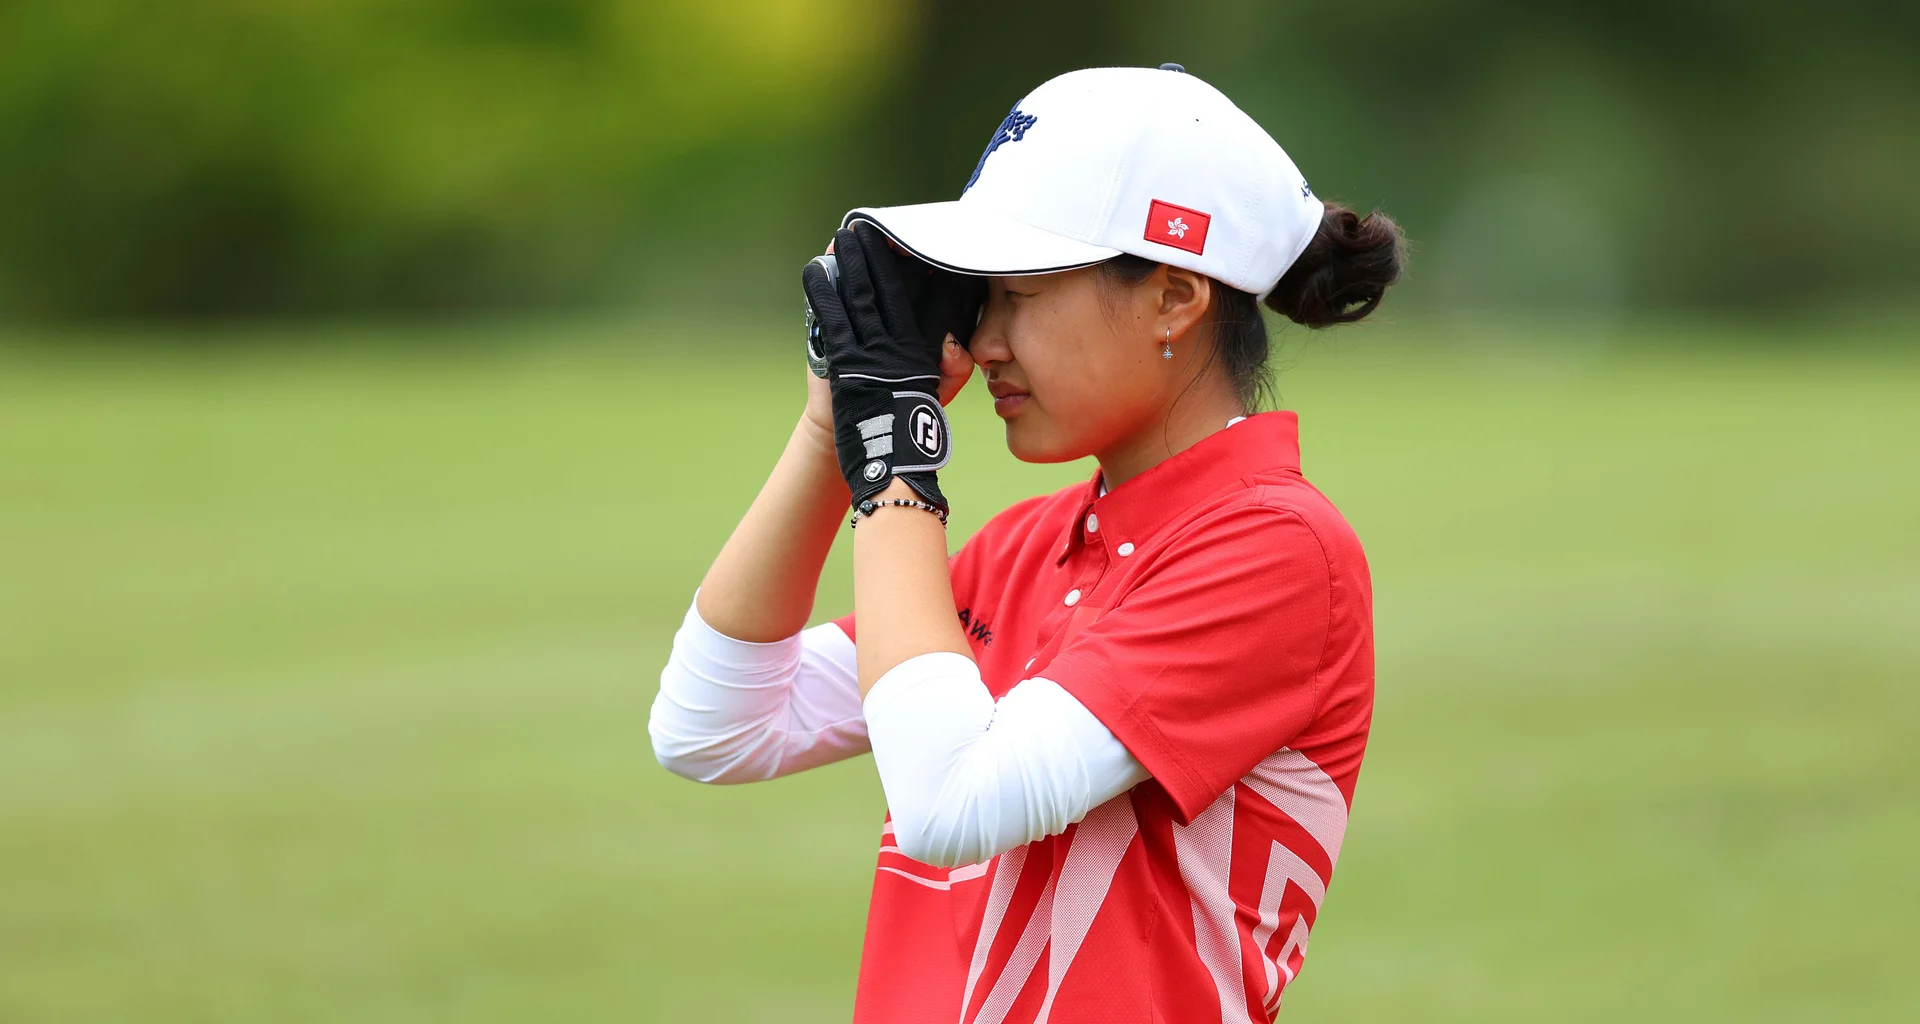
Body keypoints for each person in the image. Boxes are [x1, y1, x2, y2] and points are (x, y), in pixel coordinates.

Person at [650, 64, 1402, 1023]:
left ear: (1174, 297)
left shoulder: (1277, 549)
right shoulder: (1026, 546)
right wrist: (831, 431)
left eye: (1020, 292)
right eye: (976, 299)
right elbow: (713, 728)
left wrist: (894, 464)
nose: (984, 340)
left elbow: (950, 803)